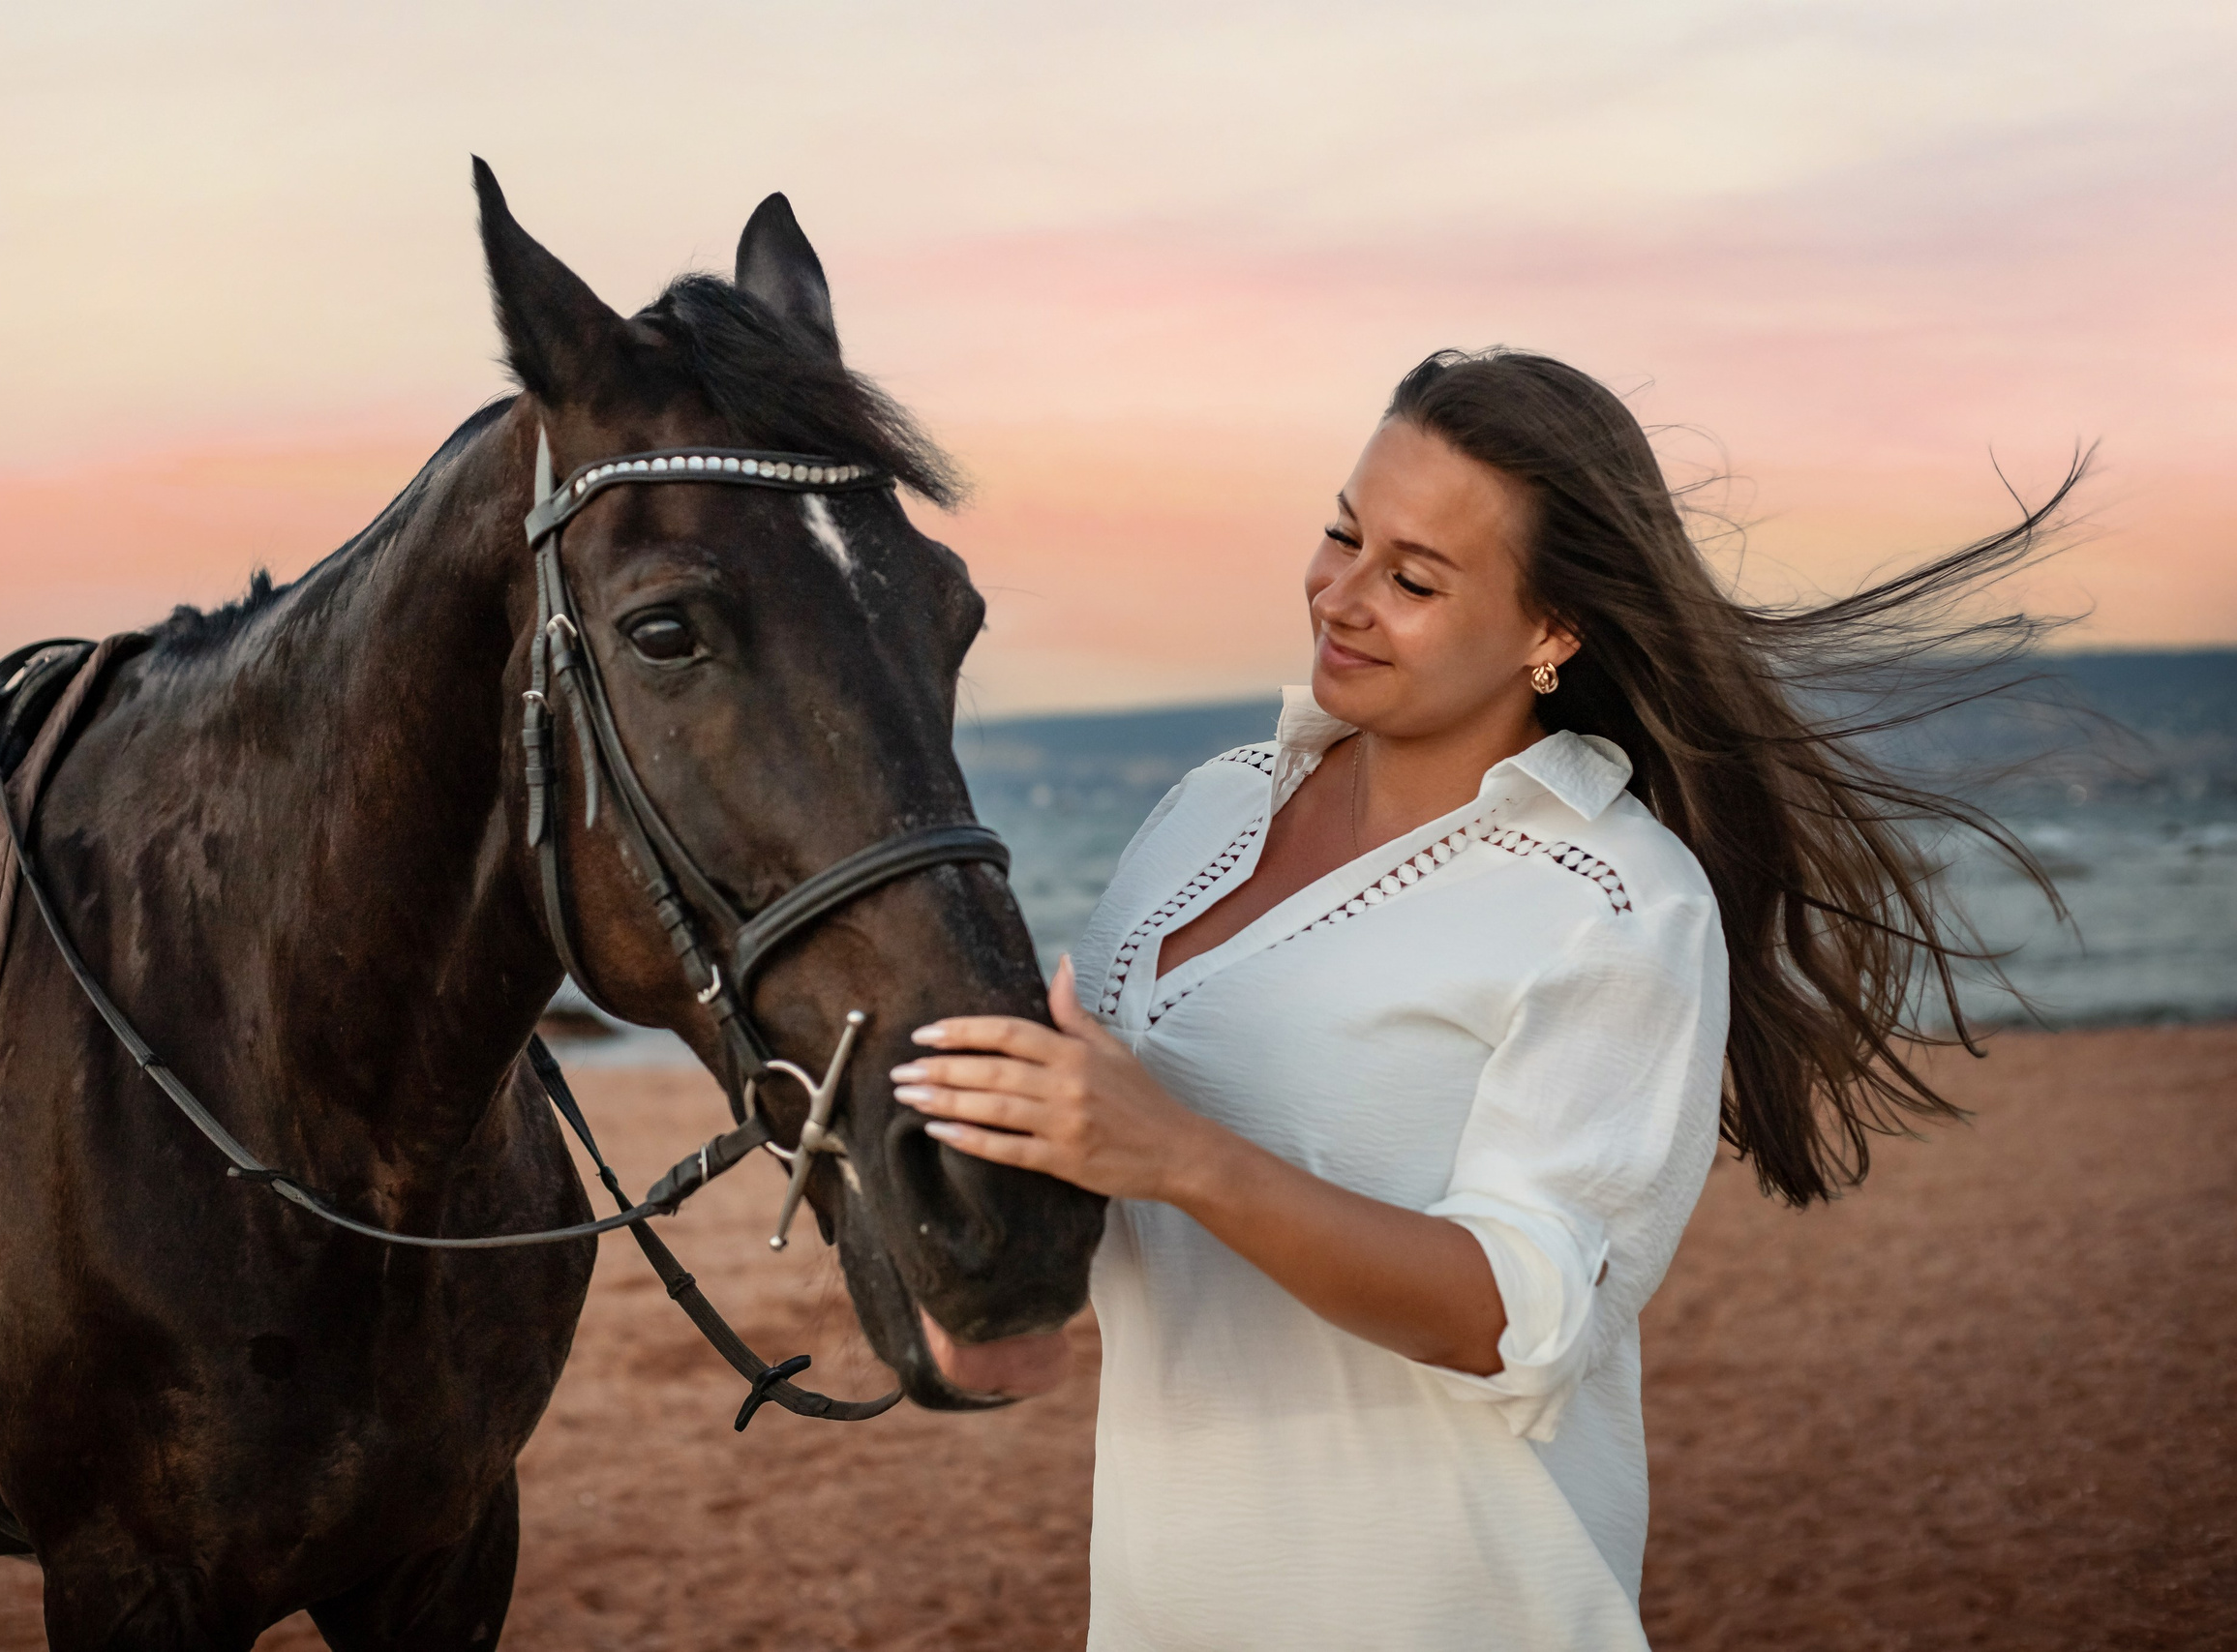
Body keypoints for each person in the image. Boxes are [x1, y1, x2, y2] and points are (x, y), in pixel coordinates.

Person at [888, 348, 2074, 1649]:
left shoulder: (1615, 899)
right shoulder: (1212, 805)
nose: (1342, 596)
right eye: (1345, 532)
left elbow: (1515, 1320)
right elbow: (1094, 1155)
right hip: (1164, 1607)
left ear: (1551, 631)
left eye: (1414, 580)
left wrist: (1180, 1156)